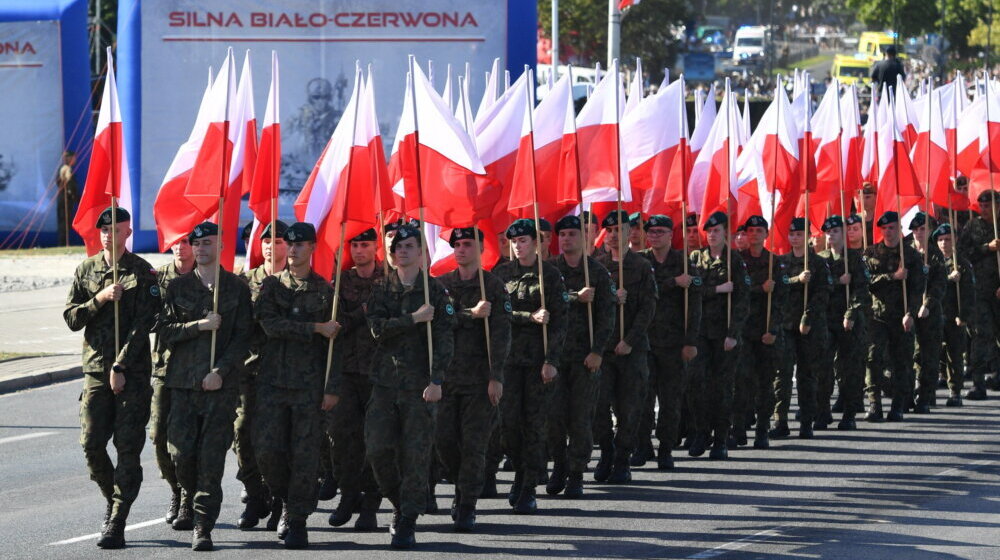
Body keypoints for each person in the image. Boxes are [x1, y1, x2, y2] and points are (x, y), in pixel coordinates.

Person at [63, 206, 158, 549]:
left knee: (128, 449)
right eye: (104, 231)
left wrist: (120, 366)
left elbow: (142, 326)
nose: (109, 235)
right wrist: (99, 299)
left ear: (127, 233)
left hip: (130, 373)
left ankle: (117, 520)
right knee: (91, 445)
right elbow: (72, 318)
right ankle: (113, 497)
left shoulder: (143, 272)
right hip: (94, 371)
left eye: (116, 230)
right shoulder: (86, 269)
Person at [158, 222, 252, 551]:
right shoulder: (177, 288)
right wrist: (199, 325)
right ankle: (187, 493)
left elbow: (243, 339)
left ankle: (203, 524)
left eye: (207, 242)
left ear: (220, 245)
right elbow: (164, 332)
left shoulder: (236, 289)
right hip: (182, 384)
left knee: (211, 459)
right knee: (180, 454)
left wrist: (221, 371)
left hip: (219, 388)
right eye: (195, 243)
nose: (200, 248)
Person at [365, 223, 455, 549]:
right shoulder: (381, 290)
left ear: (421, 252)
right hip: (385, 384)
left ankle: (408, 520)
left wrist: (437, 380)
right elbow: (376, 329)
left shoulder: (435, 292)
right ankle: (398, 501)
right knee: (378, 450)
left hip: (420, 387)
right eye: (397, 247)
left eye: (408, 246)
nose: (401, 251)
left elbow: (445, 340)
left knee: (416, 455)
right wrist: (413, 320)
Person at [254, 222, 343, 549]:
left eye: (300, 244)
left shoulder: (324, 292)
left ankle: (298, 518)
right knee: (268, 451)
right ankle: (282, 497)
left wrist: (331, 387)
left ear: (312, 248)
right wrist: (315, 327)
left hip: (309, 387)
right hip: (273, 384)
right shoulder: (272, 287)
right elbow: (270, 325)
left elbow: (336, 347)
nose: (293, 250)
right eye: (289, 244)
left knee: (305, 455)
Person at [436, 227, 512, 531]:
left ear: (481, 249)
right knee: (444, 442)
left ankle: (467, 503)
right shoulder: (441, 286)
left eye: (468, 244)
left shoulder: (492, 286)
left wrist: (496, 377)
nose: (461, 249)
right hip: (447, 377)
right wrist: (470, 313)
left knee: (474, 444)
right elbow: (439, 325)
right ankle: (460, 484)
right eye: (457, 245)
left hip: (479, 381)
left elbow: (501, 334)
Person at [493, 219, 568, 514]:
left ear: (536, 243)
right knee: (508, 424)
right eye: (513, 241)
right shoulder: (501, 274)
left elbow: (560, 320)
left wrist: (552, 360)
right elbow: (499, 315)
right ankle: (520, 473)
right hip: (509, 361)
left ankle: (528, 486)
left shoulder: (549, 274)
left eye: (523, 240)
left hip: (537, 361)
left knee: (535, 424)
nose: (517, 245)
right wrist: (528, 317)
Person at [549, 215, 615, 497]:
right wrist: (576, 296)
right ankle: (559, 465)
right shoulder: (549, 270)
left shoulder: (597, 272)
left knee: (580, 417)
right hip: (554, 357)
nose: (566, 239)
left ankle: (576, 472)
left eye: (572, 234)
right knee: (553, 417)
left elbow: (607, 316)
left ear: (584, 237)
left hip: (584, 358)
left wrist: (598, 351)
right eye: (562, 234)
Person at [326, 228, 385, 531]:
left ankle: (371, 505)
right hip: (347, 373)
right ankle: (348, 495)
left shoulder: (390, 280)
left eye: (365, 245)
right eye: (355, 245)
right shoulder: (342, 281)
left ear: (376, 246)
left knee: (374, 442)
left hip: (380, 374)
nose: (360, 250)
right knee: (342, 439)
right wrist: (362, 312)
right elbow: (337, 325)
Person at [594, 210, 657, 483]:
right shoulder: (596, 265)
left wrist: (629, 341)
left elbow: (648, 308)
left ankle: (622, 458)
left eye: (619, 230)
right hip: (603, 349)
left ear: (630, 232)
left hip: (631, 349)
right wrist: (609, 297)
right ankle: (606, 450)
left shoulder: (641, 266)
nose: (613, 235)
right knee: (598, 405)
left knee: (630, 407)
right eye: (609, 230)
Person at [236, 220, 288, 531]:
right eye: (265, 240)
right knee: (243, 434)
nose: (271, 245)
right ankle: (256, 495)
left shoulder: (295, 281)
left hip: (284, 373)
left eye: (279, 240)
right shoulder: (244, 282)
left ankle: (281, 499)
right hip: (250, 372)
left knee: (278, 441)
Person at [638, 215, 702, 466]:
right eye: (651, 232)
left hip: (674, 343)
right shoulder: (641, 262)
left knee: (671, 400)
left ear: (670, 235)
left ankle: (666, 447)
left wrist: (691, 341)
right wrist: (672, 283)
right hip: (644, 341)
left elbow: (695, 306)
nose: (655, 236)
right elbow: (643, 292)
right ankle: (643, 446)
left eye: (660, 232)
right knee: (642, 398)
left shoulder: (683, 263)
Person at [687, 211, 749, 460]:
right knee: (696, 384)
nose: (712, 235)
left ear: (726, 234)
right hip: (699, 332)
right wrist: (717, 289)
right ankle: (701, 432)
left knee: (721, 388)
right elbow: (692, 290)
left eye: (717, 231)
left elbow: (743, 301)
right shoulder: (695, 258)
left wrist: (733, 334)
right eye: (709, 231)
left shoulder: (735, 261)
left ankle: (720, 438)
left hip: (724, 333)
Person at [150, 236, 194, 526]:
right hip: (165, 368)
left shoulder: (208, 276)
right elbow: (150, 320)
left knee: (188, 440)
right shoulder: (158, 277)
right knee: (159, 437)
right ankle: (175, 490)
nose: (180, 246)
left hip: (196, 369)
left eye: (187, 241)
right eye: (176, 241)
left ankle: (190, 498)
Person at [864, 211, 925, 422]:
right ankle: (874, 404)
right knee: (873, 359)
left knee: (902, 361)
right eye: (885, 228)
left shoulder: (911, 255)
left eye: (892, 228)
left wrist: (911, 313)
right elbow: (866, 281)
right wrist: (892, 276)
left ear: (899, 229)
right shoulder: (871, 253)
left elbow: (918, 288)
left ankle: (898, 405)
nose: (888, 232)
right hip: (876, 316)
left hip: (901, 316)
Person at [775, 218, 832, 439]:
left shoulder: (817, 263)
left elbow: (823, 293)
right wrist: (796, 280)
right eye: (792, 234)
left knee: (807, 375)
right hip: (786, 326)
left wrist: (807, 319)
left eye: (799, 234)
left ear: (807, 236)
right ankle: (780, 420)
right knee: (782, 375)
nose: (795, 238)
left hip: (809, 327)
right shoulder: (781, 262)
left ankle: (807, 421)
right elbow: (778, 287)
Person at [736, 216, 786, 449]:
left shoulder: (774, 263)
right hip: (743, 331)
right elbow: (737, 293)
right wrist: (759, 288)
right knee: (742, 381)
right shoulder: (738, 262)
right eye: (750, 231)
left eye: (759, 230)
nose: (754, 234)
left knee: (765, 383)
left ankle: (762, 430)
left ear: (767, 234)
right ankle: (739, 428)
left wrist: (773, 330)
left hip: (766, 332)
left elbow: (781, 300)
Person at [818, 216, 869, 431]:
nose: (831, 235)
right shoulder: (820, 259)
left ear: (843, 233)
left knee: (850, 370)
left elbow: (861, 290)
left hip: (849, 321)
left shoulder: (854, 259)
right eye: (828, 232)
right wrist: (839, 282)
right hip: (826, 320)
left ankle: (849, 414)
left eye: (835, 231)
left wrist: (850, 313)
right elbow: (819, 287)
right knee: (823, 368)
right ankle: (822, 412)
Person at [958, 190, 1000, 400]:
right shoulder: (972, 226)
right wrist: (986, 248)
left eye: (989, 205)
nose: (984, 210)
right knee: (981, 335)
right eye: (981, 206)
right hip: (980, 291)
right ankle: (978, 384)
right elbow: (963, 254)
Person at [909, 212, 946, 412]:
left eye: (922, 229)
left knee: (930, 355)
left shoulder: (934, 254)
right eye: (915, 229)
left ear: (929, 230)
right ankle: (910, 393)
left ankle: (926, 396)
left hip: (930, 313)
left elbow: (940, 284)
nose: (919, 233)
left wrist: (928, 304)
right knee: (912, 355)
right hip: (909, 311)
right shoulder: (906, 253)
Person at [934, 223, 975, 406]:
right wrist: (948, 278)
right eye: (941, 240)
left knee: (955, 354)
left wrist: (963, 315)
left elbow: (968, 292)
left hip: (953, 315)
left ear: (955, 240)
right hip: (935, 314)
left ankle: (955, 391)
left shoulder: (962, 263)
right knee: (934, 353)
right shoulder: (933, 262)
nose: (944, 243)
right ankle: (929, 389)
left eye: (948, 239)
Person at [57, 151, 79, 246]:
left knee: (65, 222)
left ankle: (63, 243)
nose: (75, 159)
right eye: (73, 157)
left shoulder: (64, 168)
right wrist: (72, 193)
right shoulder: (66, 168)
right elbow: (68, 181)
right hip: (65, 199)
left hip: (65, 199)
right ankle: (63, 244)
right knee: (64, 223)